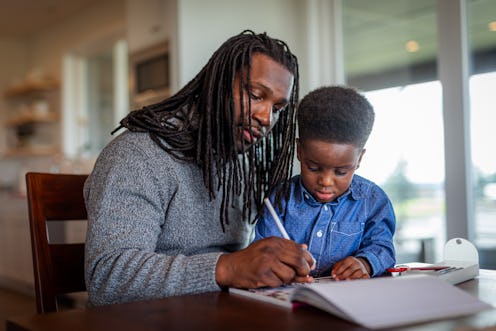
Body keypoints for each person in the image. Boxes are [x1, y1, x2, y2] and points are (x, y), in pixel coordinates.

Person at [83, 30, 315, 307]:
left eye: (277, 108)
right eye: (255, 95)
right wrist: (228, 268)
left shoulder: (240, 166)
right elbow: (108, 277)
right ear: (217, 86)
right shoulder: (138, 154)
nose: (265, 118)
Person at [254, 86, 396, 280]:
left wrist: (364, 263)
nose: (326, 182)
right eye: (313, 168)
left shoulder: (372, 201)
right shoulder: (280, 200)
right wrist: (281, 269)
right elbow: (262, 253)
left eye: (341, 171)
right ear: (299, 151)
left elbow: (383, 248)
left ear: (359, 159)